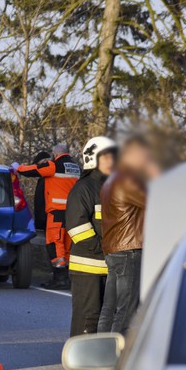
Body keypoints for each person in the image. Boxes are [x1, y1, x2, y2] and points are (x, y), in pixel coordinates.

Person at [97, 135, 159, 332]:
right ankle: (118, 356)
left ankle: (101, 351)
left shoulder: (111, 182)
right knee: (126, 308)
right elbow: (157, 200)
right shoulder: (129, 182)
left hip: (114, 250)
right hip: (129, 250)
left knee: (109, 307)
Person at [65, 136, 117, 336]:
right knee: (89, 317)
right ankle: (83, 365)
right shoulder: (83, 189)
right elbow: (77, 228)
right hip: (88, 268)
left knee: (110, 320)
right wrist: (107, 249)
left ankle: (103, 363)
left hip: (112, 267)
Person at [13, 144, 81, 289]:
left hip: (56, 212)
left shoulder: (54, 165)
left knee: (55, 244)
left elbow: (34, 170)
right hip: (73, 213)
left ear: (56, 154)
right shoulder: (76, 167)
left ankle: (60, 278)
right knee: (67, 245)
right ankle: (67, 277)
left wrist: (18, 168)